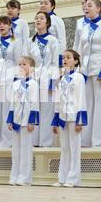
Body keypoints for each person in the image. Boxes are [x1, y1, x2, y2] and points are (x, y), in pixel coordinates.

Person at [76, 0, 101, 147]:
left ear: (98, 8)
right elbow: (80, 49)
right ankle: (85, 140)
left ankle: (98, 142)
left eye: (89, 5)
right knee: (86, 105)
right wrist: (78, 70)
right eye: (85, 5)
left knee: (100, 105)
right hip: (86, 70)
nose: (86, 8)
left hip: (99, 70)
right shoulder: (84, 28)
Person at [51, 50, 87, 187]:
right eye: (63, 58)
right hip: (62, 117)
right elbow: (58, 100)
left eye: (68, 58)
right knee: (64, 148)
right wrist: (55, 120)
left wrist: (80, 120)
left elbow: (81, 99)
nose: (65, 60)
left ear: (76, 61)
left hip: (74, 117)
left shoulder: (79, 77)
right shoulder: (62, 79)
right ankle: (62, 177)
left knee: (74, 148)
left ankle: (73, 179)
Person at [0, 16, 24, 148]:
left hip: (10, 80)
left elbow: (18, 62)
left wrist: (16, 81)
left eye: (4, 24)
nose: (2, 26)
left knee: (7, 112)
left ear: (10, 26)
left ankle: (7, 142)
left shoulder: (16, 42)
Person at [28, 11, 60, 147]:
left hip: (48, 77)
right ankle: (34, 141)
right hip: (34, 78)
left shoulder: (53, 41)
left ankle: (46, 142)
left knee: (47, 110)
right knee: (34, 108)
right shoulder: (31, 41)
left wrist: (53, 80)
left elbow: (55, 62)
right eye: (36, 18)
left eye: (41, 18)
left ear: (47, 22)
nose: (38, 20)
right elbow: (28, 62)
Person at [7, 57, 39, 186]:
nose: (21, 66)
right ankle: (14, 175)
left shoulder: (33, 84)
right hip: (16, 119)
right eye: (19, 64)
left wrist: (32, 121)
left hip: (27, 120)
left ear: (31, 68)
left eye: (24, 64)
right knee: (16, 150)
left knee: (25, 150)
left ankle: (24, 177)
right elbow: (12, 103)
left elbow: (35, 103)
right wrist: (10, 119)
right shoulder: (15, 84)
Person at [39, 0, 67, 67]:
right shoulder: (38, 20)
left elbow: (62, 39)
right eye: (41, 3)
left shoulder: (57, 20)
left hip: (54, 54)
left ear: (52, 6)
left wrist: (60, 57)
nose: (42, 5)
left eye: (45, 3)